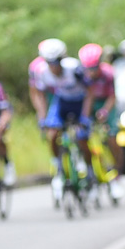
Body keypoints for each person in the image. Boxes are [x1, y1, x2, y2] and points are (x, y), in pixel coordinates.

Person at [28, 39, 93, 200]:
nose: (53, 66)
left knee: (82, 138)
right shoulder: (41, 72)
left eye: (56, 62)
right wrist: (42, 117)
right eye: (50, 62)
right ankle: (58, 165)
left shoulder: (75, 68)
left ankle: (89, 168)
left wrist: (85, 116)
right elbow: (40, 95)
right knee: (52, 133)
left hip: (79, 102)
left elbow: (90, 92)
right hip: (62, 102)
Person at [80, 42, 124, 200]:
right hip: (89, 104)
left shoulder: (108, 73)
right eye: (88, 68)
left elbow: (113, 96)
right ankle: (90, 174)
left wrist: (105, 111)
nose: (91, 72)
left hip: (106, 103)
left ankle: (117, 174)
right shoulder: (81, 75)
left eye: (94, 68)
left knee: (112, 138)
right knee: (82, 137)